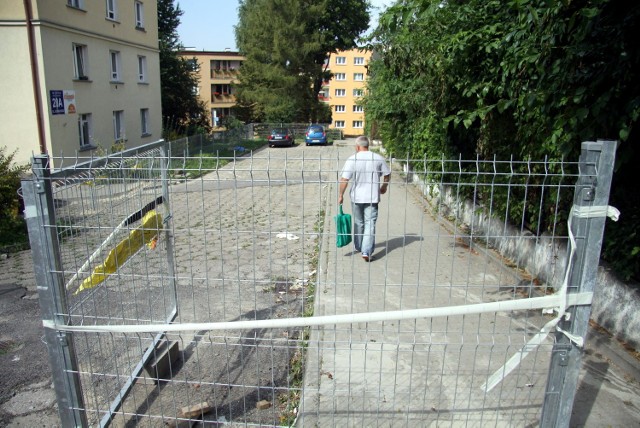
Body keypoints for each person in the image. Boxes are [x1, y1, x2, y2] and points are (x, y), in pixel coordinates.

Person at [338, 136, 391, 262]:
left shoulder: (353, 159)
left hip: (356, 197)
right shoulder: (377, 158)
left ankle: (359, 246)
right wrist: (384, 186)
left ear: (357, 146)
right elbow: (387, 174)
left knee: (359, 222)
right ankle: (366, 251)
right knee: (370, 223)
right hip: (372, 197)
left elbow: (344, 179)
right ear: (368, 145)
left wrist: (341, 195)